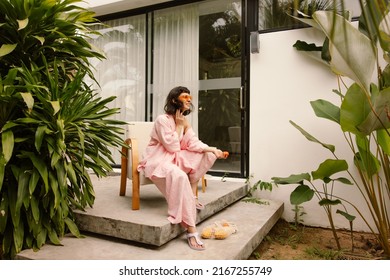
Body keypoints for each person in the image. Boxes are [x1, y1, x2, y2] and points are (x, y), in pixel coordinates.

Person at [137, 86, 228, 251]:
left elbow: (193, 143)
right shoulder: (162, 120)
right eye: (185, 96)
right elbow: (171, 146)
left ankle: (190, 195)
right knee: (179, 176)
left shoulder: (185, 121)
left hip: (175, 158)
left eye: (189, 96)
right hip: (158, 161)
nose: (189, 99)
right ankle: (191, 230)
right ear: (174, 100)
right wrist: (179, 127)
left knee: (208, 155)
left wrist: (213, 149)